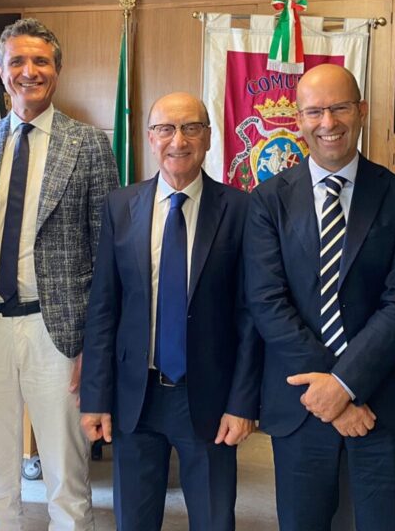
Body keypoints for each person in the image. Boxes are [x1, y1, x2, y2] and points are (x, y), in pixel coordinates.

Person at [0, 18, 118, 530]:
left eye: (40, 61)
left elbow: (108, 252)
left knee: (67, 481)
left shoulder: (88, 144)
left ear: (57, 71)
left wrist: (95, 346)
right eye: (17, 61)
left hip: (58, 333)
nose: (29, 71)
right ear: (1, 72)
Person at [244, 64, 395, 531]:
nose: (328, 123)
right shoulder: (267, 200)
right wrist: (332, 392)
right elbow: (268, 301)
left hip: (382, 403)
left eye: (340, 108)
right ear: (299, 119)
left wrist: (345, 385)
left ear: (361, 110)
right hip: (300, 405)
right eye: (315, 111)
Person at [80, 92, 261, 531]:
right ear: (150, 138)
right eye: (165, 129)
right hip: (136, 398)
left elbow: (250, 317)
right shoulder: (121, 206)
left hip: (210, 399)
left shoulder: (241, 209)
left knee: (214, 521)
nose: (178, 140)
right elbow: (104, 308)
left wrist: (243, 403)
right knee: (133, 522)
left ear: (208, 137)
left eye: (190, 128)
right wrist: (96, 398)